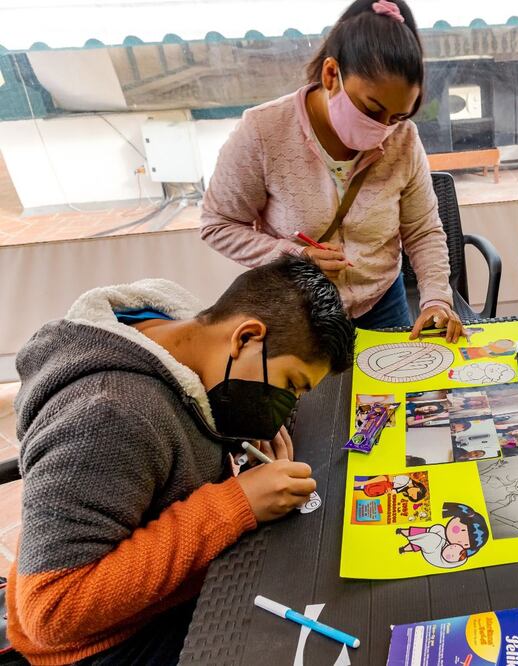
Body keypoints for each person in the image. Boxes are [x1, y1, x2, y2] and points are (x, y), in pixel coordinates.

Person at [8, 254, 355, 663]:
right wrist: (236, 504)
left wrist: (251, 429)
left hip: (157, 593)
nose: (289, 404)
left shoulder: (181, 329)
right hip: (107, 641)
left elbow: (195, 406)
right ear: (245, 338)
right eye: (290, 385)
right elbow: (52, 611)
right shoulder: (110, 414)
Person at [200, 0, 464, 342]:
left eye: (397, 116)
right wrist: (294, 254)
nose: (382, 128)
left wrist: (435, 300)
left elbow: (423, 230)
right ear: (331, 75)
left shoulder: (403, 140)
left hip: (383, 302)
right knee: (314, 397)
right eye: (372, 109)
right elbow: (218, 225)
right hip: (299, 309)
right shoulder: (264, 132)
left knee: (392, 392)